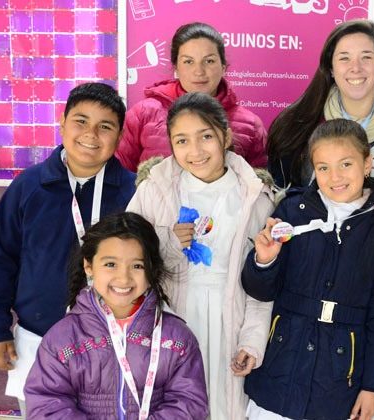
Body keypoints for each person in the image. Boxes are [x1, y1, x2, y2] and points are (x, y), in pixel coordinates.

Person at [0, 82, 136, 415]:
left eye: (105, 126)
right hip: (38, 338)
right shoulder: (29, 186)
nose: (91, 134)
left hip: (115, 342)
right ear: (62, 122)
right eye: (81, 121)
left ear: (120, 136)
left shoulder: (135, 193)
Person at [242, 119, 374, 420]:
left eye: (346, 164)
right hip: (279, 367)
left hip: (339, 379)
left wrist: (373, 387)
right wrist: (264, 260)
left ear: (367, 163)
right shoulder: (292, 211)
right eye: (323, 167)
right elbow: (258, 290)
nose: (335, 177)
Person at [126, 92, 274, 418]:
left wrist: (252, 340)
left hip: (229, 323)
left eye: (205, 136)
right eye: (181, 140)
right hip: (171, 319)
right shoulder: (154, 190)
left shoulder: (254, 196)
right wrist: (167, 242)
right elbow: (127, 261)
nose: (194, 151)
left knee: (221, 406)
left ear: (226, 136)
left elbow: (264, 282)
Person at [24, 212, 208, 418]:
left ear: (152, 270)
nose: (123, 277)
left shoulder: (177, 338)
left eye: (138, 266)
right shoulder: (62, 339)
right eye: (110, 264)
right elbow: (46, 405)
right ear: (88, 266)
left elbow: (189, 403)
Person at [267, 20, 374, 222]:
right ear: (331, 69)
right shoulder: (299, 125)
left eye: (366, 57)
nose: (356, 68)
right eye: (344, 58)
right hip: (318, 248)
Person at [116, 22, 268, 172]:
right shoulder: (143, 113)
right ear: (176, 67)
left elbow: (258, 185)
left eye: (209, 61)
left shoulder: (251, 125)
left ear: (223, 67)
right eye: (188, 61)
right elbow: (119, 177)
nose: (199, 71)